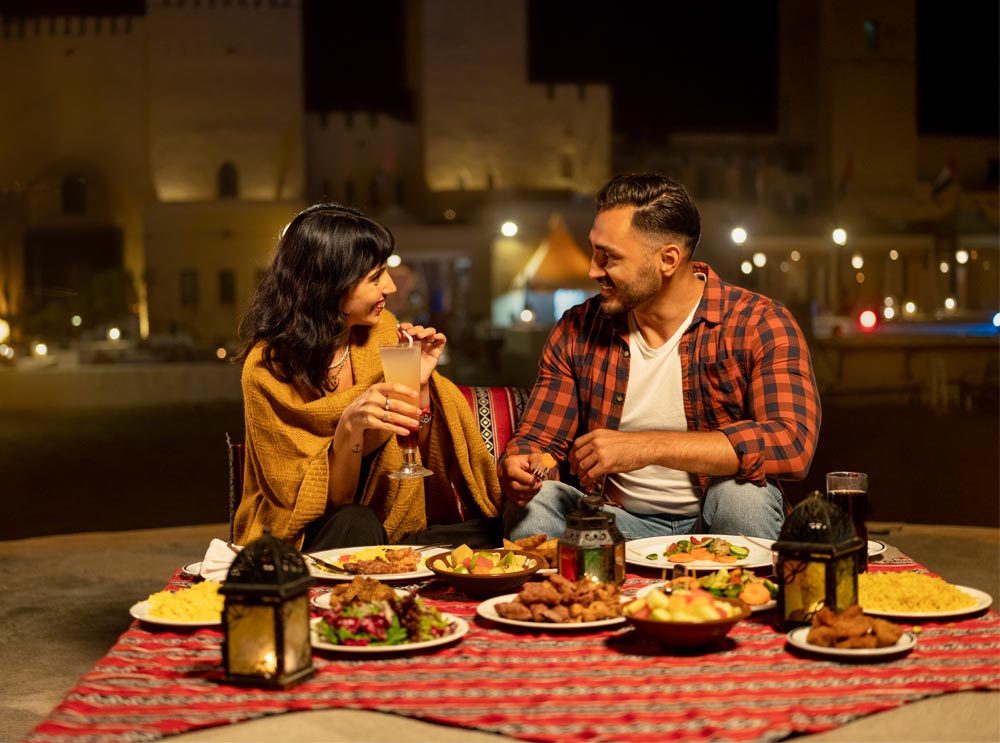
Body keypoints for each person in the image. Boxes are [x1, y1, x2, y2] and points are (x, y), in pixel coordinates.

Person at [499, 174, 821, 541]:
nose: (592, 270)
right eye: (594, 251)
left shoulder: (759, 323)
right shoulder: (578, 327)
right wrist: (520, 469)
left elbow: (791, 443)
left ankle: (741, 596)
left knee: (741, 495)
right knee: (535, 504)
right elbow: (539, 440)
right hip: (610, 523)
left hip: (714, 522)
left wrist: (645, 447)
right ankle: (559, 597)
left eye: (610, 257)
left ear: (668, 259)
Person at [232, 203, 502, 550]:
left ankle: (392, 559)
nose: (389, 287)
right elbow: (331, 503)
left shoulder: (384, 333)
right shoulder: (268, 369)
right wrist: (349, 429)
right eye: (375, 277)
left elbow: (414, 452)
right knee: (355, 522)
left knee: (498, 532)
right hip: (305, 532)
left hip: (387, 520)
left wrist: (418, 385)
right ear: (328, 284)